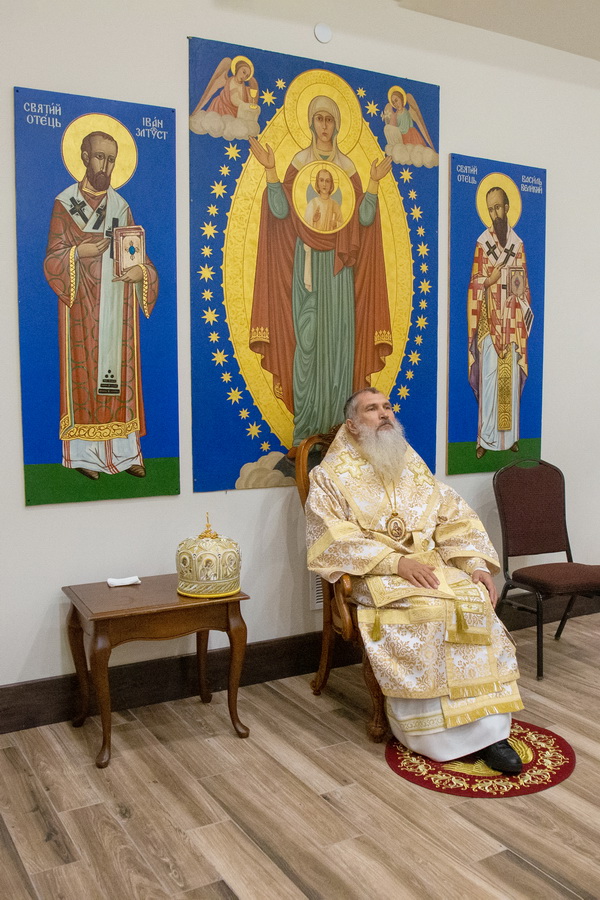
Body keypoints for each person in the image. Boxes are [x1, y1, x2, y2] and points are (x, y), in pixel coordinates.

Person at [305, 387, 524, 773]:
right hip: (376, 572)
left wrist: (474, 564)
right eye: (372, 409)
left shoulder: (411, 465)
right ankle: (434, 734)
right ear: (352, 425)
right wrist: (395, 562)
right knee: (428, 609)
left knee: (474, 600)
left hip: (431, 566)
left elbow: (453, 516)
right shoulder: (328, 477)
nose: (384, 414)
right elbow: (330, 537)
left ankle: (490, 730)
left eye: (387, 406)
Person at [248, 95, 393, 448]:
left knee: (340, 346)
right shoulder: (298, 163)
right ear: (311, 123)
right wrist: (271, 170)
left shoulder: (348, 167)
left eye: (330, 119)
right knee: (308, 341)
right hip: (308, 268)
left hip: (339, 272)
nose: (324, 125)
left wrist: (373, 183)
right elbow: (280, 211)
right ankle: (305, 430)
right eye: (319, 119)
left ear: (337, 125)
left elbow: (364, 218)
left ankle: (340, 433)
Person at [44, 130, 158, 479]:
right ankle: (84, 456)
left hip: (117, 309)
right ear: (84, 156)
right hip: (81, 310)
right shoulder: (65, 204)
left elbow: (138, 255)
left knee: (120, 378)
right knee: (84, 377)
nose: (105, 166)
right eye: (99, 157)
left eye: (110, 159)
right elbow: (52, 258)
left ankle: (126, 454)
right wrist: (78, 252)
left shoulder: (121, 207)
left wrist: (141, 273)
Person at [468, 186, 533, 458]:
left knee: (510, 381)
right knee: (489, 380)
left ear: (507, 208)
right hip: (489, 320)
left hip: (512, 323)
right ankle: (485, 439)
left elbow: (524, 286)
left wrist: (520, 295)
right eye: (490, 209)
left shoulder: (518, 245)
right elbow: (474, 282)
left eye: (498, 207)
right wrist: (489, 280)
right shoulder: (483, 243)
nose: (495, 213)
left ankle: (511, 438)